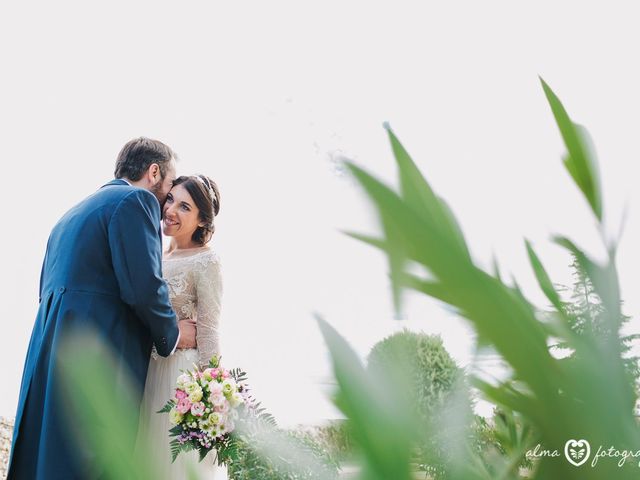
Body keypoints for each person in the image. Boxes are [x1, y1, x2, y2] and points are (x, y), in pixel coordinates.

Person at [8, 137, 197, 479]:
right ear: (154, 172)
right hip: (100, 347)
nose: (167, 202)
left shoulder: (67, 216)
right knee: (89, 456)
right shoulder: (135, 200)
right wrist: (172, 333)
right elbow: (144, 289)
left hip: (50, 349)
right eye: (169, 186)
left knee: (49, 453)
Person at [135, 174, 224, 479]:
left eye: (185, 207)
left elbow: (210, 330)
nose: (170, 210)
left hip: (181, 378)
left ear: (202, 221)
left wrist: (212, 396)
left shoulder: (207, 262)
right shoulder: (155, 255)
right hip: (148, 370)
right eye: (170, 199)